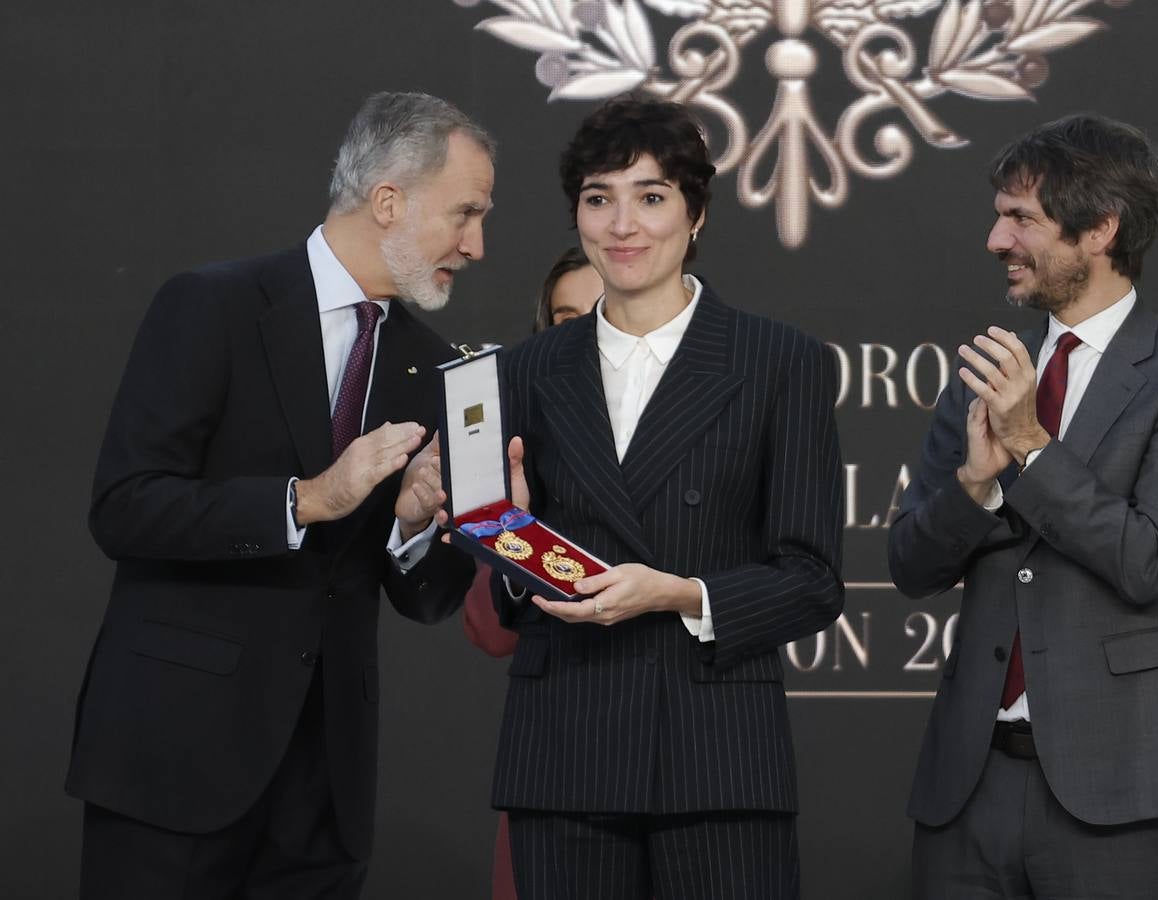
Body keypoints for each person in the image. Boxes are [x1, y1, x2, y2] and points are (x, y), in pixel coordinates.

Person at [67, 91, 492, 899]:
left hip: (324, 789)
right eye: (465, 213)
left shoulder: (437, 367)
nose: (476, 245)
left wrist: (410, 528)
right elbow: (124, 504)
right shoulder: (213, 306)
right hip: (175, 759)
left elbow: (429, 598)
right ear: (389, 201)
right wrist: (304, 501)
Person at [489, 97, 845, 900]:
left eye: (651, 197)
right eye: (598, 197)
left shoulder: (779, 361)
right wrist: (509, 536)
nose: (623, 224)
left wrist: (681, 593)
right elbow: (514, 597)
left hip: (716, 755)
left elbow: (813, 579)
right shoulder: (524, 371)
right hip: (564, 753)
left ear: (697, 215)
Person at [888, 113, 1158, 899]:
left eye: (1021, 220)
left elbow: (1149, 561)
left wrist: (1033, 448)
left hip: (1125, 794)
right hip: (968, 790)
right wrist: (974, 486)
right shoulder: (991, 366)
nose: (996, 240)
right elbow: (910, 565)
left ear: (1100, 230)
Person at [462, 246, 602, 900]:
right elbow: (492, 631)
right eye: (563, 318)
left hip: (677, 776)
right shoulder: (517, 456)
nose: (580, 336)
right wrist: (516, 533)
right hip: (553, 774)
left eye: (601, 316)